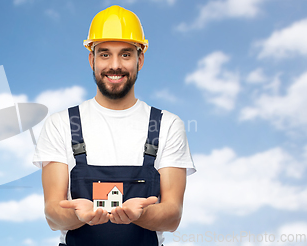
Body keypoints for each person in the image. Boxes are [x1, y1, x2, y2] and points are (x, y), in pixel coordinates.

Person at [32, 5, 196, 246]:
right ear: (92, 59)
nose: (115, 65)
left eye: (126, 54)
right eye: (105, 54)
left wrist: (141, 214)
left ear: (140, 59)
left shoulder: (167, 125)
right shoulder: (61, 124)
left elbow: (172, 216)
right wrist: (79, 215)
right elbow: (52, 216)